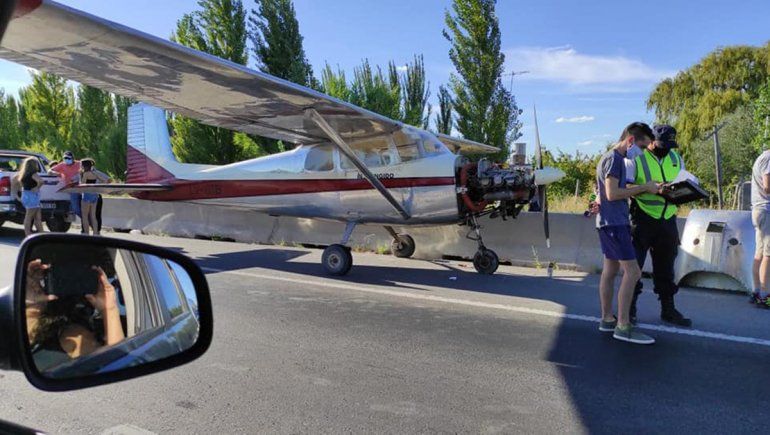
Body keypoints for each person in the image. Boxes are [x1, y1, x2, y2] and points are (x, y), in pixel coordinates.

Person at [595, 122, 659, 344]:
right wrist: (645, 187)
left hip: (607, 222)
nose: (641, 153)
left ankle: (607, 319)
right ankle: (623, 325)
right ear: (631, 140)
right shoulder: (615, 159)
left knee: (610, 270)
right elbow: (612, 194)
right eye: (642, 147)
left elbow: (603, 193)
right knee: (633, 273)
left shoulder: (609, 158)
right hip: (614, 223)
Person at [625, 125, 692, 326]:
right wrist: (648, 189)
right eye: (663, 144)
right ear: (652, 141)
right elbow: (625, 187)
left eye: (670, 145)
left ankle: (668, 309)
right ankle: (629, 310)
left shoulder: (676, 158)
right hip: (643, 219)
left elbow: (682, 183)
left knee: (666, 268)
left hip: (668, 219)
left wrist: (684, 193)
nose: (667, 149)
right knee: (634, 267)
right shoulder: (637, 158)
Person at [25, 258, 125, 368]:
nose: (36, 287)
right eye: (41, 280)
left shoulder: (72, 336)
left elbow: (114, 364)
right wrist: (23, 297)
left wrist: (109, 308)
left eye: (42, 283)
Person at [750, 147, 770, 308]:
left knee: (760, 253)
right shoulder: (769, 159)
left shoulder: (762, 157)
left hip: (758, 209)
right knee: (768, 255)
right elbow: (767, 186)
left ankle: (756, 292)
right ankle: (765, 295)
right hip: (766, 210)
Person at [14, 157, 44, 236]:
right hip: (32, 196)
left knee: (37, 217)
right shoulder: (33, 174)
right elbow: (41, 181)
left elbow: (16, 182)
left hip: (26, 195)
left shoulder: (23, 174)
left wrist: (17, 195)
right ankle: (28, 234)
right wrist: (37, 187)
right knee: (29, 217)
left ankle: (42, 234)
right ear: (34, 165)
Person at [50, 151, 82, 221]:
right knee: (75, 208)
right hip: (72, 189)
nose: (66, 160)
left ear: (73, 158)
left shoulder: (79, 163)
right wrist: (57, 173)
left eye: (68, 158)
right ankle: (86, 220)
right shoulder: (62, 165)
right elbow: (50, 171)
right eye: (65, 158)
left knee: (82, 207)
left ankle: (86, 221)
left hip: (81, 187)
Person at [79, 158, 109, 235]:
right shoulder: (95, 174)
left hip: (86, 195)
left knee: (85, 216)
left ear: (84, 166)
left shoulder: (86, 174)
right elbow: (105, 181)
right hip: (95, 195)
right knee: (93, 216)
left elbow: (82, 184)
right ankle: (95, 233)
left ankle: (86, 233)